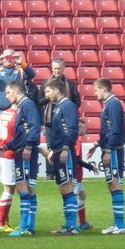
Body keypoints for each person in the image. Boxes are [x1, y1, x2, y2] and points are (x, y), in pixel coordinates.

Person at [86, 78, 125, 234]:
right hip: (109, 148)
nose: (95, 93)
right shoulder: (109, 105)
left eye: (96, 90)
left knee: (115, 184)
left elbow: (115, 130)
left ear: (103, 89)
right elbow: (107, 131)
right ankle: (117, 223)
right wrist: (97, 144)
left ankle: (120, 225)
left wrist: (108, 150)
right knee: (111, 184)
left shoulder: (113, 104)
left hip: (114, 150)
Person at [1, 81, 41, 236]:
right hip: (21, 149)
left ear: (16, 91)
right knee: (28, 186)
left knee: (22, 185)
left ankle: (24, 226)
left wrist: (29, 146)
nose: (6, 96)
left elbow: (34, 127)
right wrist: (7, 146)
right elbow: (21, 133)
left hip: (25, 152)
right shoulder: (23, 106)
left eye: (8, 92)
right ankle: (29, 225)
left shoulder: (27, 105)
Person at [43, 79, 80, 235]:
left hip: (65, 151)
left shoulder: (68, 105)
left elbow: (72, 129)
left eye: (48, 91)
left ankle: (73, 226)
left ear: (56, 91)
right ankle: (68, 224)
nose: (46, 95)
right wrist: (53, 150)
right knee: (63, 188)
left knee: (68, 186)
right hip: (58, 151)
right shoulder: (58, 107)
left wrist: (65, 148)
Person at [0, 101, 18, 232]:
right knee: (9, 190)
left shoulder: (2, 114)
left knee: (6, 188)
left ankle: (5, 222)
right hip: (8, 154)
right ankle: (1, 223)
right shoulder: (16, 115)